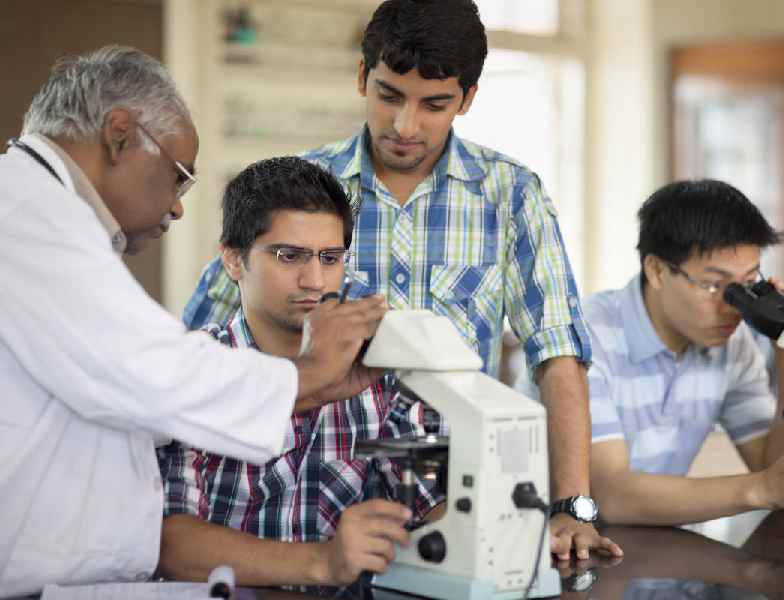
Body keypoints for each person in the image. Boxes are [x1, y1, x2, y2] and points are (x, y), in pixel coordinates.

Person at [183, 0, 619, 560]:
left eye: (434, 104)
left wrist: (571, 506)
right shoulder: (305, 193)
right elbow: (197, 345)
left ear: (467, 99)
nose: (405, 125)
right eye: (389, 95)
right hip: (303, 507)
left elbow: (558, 354)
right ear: (363, 77)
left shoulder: (512, 197)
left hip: (455, 503)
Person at [0, 46, 386, 597]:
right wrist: (306, 376)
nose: (178, 206)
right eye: (178, 177)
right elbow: (151, 375)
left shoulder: (39, 211)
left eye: (330, 258)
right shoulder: (29, 215)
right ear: (119, 135)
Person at [157, 156, 438, 586]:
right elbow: (171, 545)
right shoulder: (193, 369)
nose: (315, 280)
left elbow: (436, 503)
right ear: (233, 260)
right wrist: (324, 560)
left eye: (330, 258)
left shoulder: (376, 372)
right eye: (289, 256)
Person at [580, 179, 784, 525]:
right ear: (657, 270)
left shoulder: (732, 343)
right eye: (713, 285)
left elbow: (777, 472)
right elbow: (611, 496)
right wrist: (761, 489)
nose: (731, 307)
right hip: (550, 550)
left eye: (745, 285)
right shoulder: (587, 335)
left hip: (649, 546)